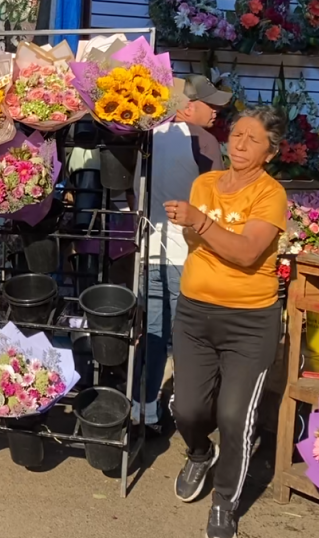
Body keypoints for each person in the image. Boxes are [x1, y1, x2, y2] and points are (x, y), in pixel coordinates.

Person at [164, 105, 287, 538]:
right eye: (236, 134)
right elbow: (195, 238)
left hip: (250, 323)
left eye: (253, 139)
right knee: (187, 406)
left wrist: (201, 221)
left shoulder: (271, 194)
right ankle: (199, 453)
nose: (240, 143)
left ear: (270, 152)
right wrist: (195, 223)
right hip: (196, 312)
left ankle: (224, 504)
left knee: (236, 416)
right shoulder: (206, 183)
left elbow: (247, 253)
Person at [132, 74, 231, 428]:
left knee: (154, 332)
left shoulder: (143, 136)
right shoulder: (202, 140)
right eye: (210, 104)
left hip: (147, 250)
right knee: (190, 337)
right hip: (187, 252)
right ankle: (187, 409)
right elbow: (220, 200)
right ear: (187, 107)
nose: (218, 111)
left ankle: (142, 407)